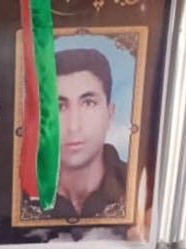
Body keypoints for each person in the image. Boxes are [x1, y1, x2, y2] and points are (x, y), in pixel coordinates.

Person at [25, 48, 127, 221]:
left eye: (88, 103)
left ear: (109, 115)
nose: (73, 126)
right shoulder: (17, 196)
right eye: (59, 107)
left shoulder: (140, 188)